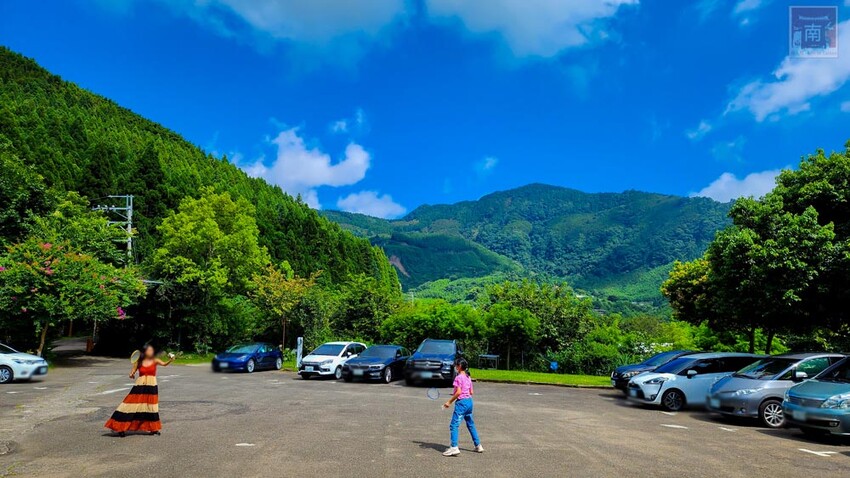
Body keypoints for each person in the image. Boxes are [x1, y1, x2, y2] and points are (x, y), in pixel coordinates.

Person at [105, 344, 174, 437]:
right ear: (144, 352)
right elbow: (132, 372)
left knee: (151, 407)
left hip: (152, 385)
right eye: (149, 350)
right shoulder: (138, 362)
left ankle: (153, 429)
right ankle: (120, 427)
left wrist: (170, 360)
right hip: (140, 385)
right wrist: (131, 374)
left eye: (151, 350)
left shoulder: (155, 360)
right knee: (129, 405)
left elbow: (164, 364)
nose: (151, 352)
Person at [442, 358, 484, 456]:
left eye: (456, 365)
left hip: (462, 404)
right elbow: (471, 392)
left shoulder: (458, 377)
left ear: (459, 366)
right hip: (469, 402)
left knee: (454, 425)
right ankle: (478, 445)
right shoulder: (468, 377)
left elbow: (459, 392)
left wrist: (449, 402)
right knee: (470, 424)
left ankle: (454, 447)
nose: (455, 367)